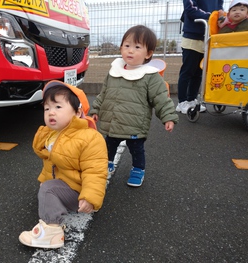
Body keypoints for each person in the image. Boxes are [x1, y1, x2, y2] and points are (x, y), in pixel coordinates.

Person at [19, 80, 108, 249]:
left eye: (58, 107)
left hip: (80, 192)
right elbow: (49, 165)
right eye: (47, 108)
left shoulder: (89, 137)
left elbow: (95, 171)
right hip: (66, 186)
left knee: (49, 189)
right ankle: (53, 198)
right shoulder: (52, 135)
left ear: (77, 112)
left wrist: (89, 198)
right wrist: (44, 182)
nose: (51, 113)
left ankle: (52, 233)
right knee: (47, 187)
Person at [90, 25, 179, 188]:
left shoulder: (150, 76)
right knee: (108, 146)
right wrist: (95, 109)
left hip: (135, 125)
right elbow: (103, 93)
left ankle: (138, 169)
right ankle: (107, 164)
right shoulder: (114, 71)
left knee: (136, 150)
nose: (130, 51)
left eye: (137, 47)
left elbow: (161, 99)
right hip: (112, 122)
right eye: (127, 45)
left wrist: (168, 117)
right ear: (121, 48)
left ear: (149, 53)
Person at [176, 0, 224, 114]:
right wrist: (212, 16)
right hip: (192, 36)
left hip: (207, 35)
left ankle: (191, 99)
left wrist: (220, 17)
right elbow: (190, 9)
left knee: (198, 72)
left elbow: (220, 9)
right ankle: (181, 102)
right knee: (188, 71)